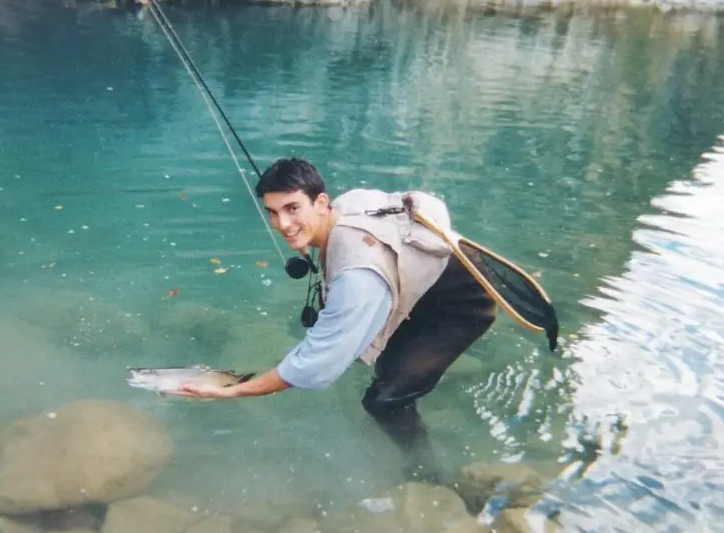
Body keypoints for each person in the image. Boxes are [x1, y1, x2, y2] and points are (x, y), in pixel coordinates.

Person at [173, 157, 498, 481]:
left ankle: (428, 471)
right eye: (273, 212)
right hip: (424, 271)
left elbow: (315, 368)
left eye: (292, 208)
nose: (282, 224)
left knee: (384, 399)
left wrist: (231, 392)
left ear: (321, 202)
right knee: (381, 359)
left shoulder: (359, 278)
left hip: (459, 303)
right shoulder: (345, 206)